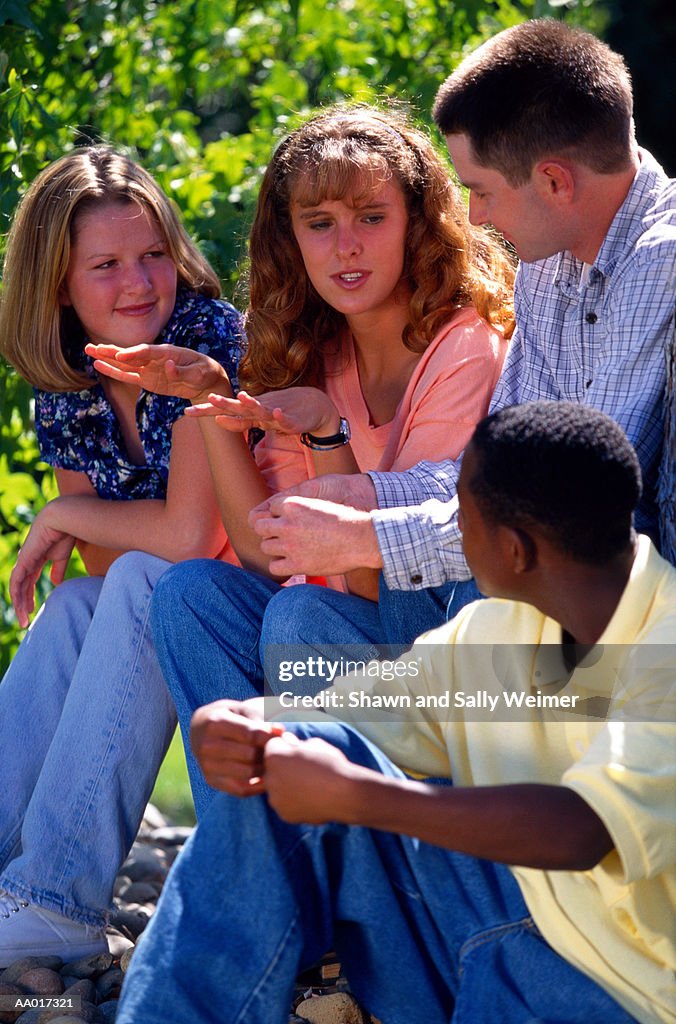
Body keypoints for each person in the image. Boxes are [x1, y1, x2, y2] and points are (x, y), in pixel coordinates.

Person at [115, 401, 676, 1024]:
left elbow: (583, 829)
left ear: (515, 550)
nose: (453, 534)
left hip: (614, 992)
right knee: (284, 757)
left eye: (461, 518)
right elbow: (360, 715)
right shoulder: (502, 628)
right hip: (488, 919)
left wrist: (361, 797)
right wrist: (252, 729)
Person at [90, 105, 514, 810]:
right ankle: (252, 860)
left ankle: (337, 874)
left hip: (450, 661)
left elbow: (394, 583)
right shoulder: (314, 354)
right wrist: (213, 398)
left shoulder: (467, 345)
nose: (345, 246)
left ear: (418, 220)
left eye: (371, 217)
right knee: (189, 594)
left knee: (299, 622)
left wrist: (326, 436)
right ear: (292, 239)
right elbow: (268, 556)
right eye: (320, 223)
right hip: (346, 627)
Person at [237, 17, 675, 643]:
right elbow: (496, 464)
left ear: (554, 181)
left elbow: (579, 501)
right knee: (319, 607)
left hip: (620, 617)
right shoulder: (549, 260)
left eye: (482, 190)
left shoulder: (659, 258)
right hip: (541, 592)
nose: (474, 215)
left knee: (437, 585)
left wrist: (370, 537)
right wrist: (363, 493)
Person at [0, 145, 244, 965]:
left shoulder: (201, 344)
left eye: (151, 256)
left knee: (144, 576)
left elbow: (188, 541)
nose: (139, 283)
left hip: (252, 599)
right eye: (105, 266)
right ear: (58, 286)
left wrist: (67, 512)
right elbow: (99, 578)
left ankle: (57, 902)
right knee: (72, 601)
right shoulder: (69, 383)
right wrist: (84, 521)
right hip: (164, 598)